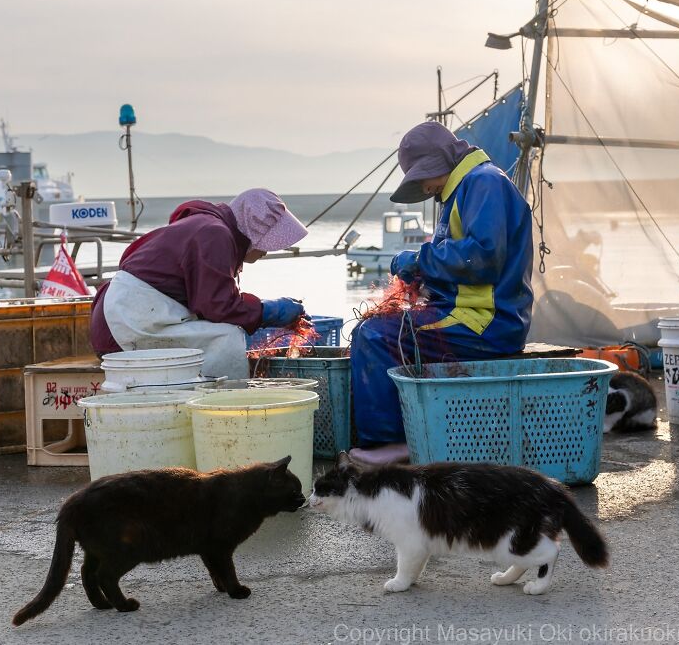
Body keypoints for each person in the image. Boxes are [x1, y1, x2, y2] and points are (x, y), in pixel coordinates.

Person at [350, 121, 534, 465]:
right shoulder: (466, 187)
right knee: (378, 326)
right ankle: (409, 430)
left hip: (487, 322)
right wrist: (425, 278)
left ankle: (390, 443)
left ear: (439, 163)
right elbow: (462, 265)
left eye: (423, 177)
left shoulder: (484, 182)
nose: (425, 187)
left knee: (373, 334)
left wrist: (420, 259)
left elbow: (482, 257)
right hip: (467, 314)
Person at [90, 189, 308, 380]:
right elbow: (218, 307)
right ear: (254, 229)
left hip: (121, 315)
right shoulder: (215, 234)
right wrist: (267, 310)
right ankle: (225, 410)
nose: (266, 251)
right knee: (227, 337)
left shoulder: (204, 226)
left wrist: (260, 309)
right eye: (267, 241)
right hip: (127, 325)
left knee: (223, 331)